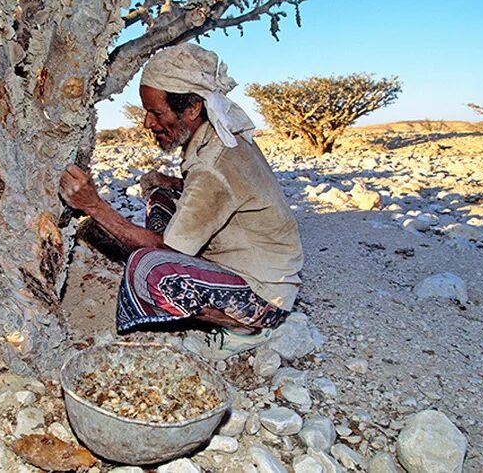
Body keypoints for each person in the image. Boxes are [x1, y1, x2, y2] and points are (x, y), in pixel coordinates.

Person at [59, 43, 303, 359]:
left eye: (156, 112)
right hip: (247, 262)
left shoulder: (214, 163)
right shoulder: (218, 135)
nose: (148, 122)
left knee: (149, 267)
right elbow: (226, 192)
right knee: (160, 197)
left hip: (265, 296)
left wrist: (93, 206)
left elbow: (168, 246)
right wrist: (170, 183)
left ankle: (246, 330)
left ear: (191, 109)